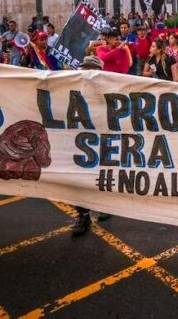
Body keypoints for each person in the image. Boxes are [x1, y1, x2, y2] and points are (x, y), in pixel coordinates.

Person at [71, 55, 113, 235]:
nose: (87, 72)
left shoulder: (110, 87)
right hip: (80, 140)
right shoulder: (72, 86)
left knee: (103, 174)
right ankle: (83, 215)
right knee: (78, 179)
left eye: (92, 69)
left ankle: (106, 205)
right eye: (85, 68)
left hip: (103, 138)